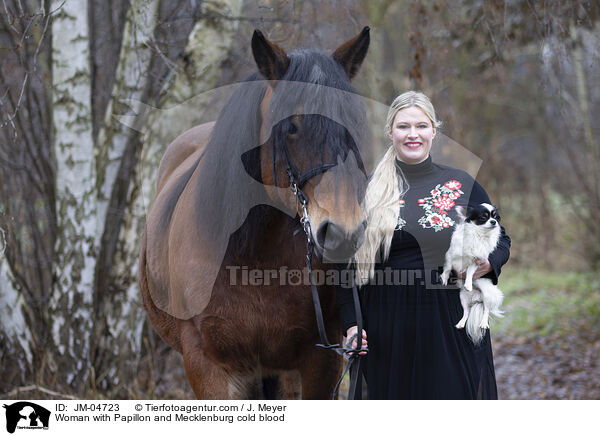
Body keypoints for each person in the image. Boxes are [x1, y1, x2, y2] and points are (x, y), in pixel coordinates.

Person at [337, 91, 511, 399]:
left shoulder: (461, 184)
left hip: (450, 322)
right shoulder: (367, 190)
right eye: (403, 127)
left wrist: (490, 263)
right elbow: (343, 266)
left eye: (421, 126)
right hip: (386, 325)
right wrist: (351, 325)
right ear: (390, 132)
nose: (412, 134)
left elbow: (501, 238)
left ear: (434, 130)